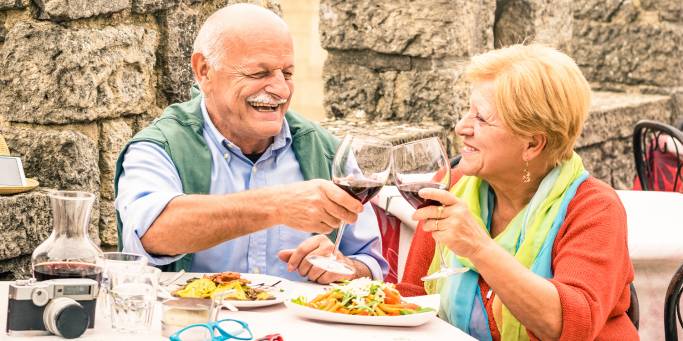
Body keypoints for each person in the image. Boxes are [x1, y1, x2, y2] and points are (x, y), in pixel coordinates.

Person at [114, 4, 387, 284]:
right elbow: (152, 233)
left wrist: (345, 266)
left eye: (288, 74)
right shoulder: (159, 147)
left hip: (303, 328)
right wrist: (277, 205)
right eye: (259, 73)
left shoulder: (327, 151)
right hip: (196, 325)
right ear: (204, 70)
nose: (281, 90)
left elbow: (372, 263)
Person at [397, 44, 637, 340]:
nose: (461, 127)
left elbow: (569, 327)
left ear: (533, 144)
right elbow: (412, 299)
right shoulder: (452, 185)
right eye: (467, 112)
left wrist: (479, 248)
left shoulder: (594, 209)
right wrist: (355, 278)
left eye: (481, 118)